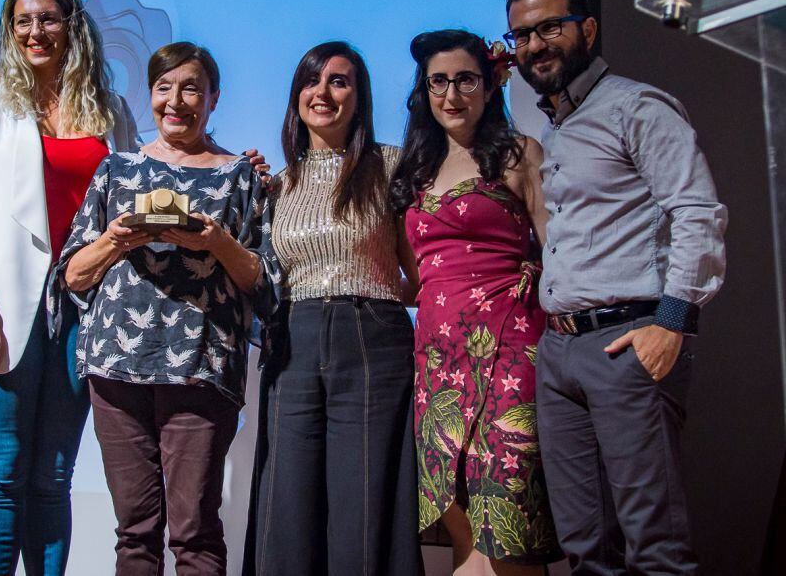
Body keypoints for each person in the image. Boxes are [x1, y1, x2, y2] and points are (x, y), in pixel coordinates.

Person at [505, 0, 727, 574]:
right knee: (584, 551)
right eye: (522, 36)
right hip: (560, 352)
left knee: (654, 547)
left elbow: (697, 211)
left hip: (628, 341)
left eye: (550, 27)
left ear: (589, 28)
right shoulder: (559, 128)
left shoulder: (635, 106)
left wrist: (673, 321)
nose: (536, 46)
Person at [0, 0, 140, 575]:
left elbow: (133, 197)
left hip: (86, 310)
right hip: (3, 307)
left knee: (53, 477)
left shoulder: (112, 110)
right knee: (2, 471)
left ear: (72, 27)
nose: (35, 31)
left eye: (48, 18)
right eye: (22, 21)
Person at [57, 41, 275, 575]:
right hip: (115, 369)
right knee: (134, 533)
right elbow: (73, 275)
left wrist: (216, 243)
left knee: (195, 532)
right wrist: (115, 239)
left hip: (200, 369)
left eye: (192, 88)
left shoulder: (238, 177)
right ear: (149, 95)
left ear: (214, 99)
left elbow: (263, 282)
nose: (176, 101)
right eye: (164, 88)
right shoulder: (116, 170)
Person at [390, 30, 562, 574]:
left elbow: (558, 251)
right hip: (438, 360)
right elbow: (415, 283)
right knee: (461, 519)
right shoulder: (413, 174)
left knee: (510, 521)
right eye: (438, 81)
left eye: (465, 79)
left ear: (490, 85)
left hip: (511, 349)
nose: (451, 93)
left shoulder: (519, 155)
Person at [245, 41, 420, 575]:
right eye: (312, 81)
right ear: (296, 94)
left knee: (362, 504)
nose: (323, 93)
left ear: (360, 98)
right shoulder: (276, 184)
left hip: (372, 340)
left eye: (339, 81)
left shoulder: (391, 166)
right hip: (292, 339)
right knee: (286, 500)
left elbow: (418, 274)